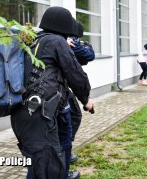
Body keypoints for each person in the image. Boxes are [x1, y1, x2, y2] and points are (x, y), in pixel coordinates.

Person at [11, 6, 94, 179]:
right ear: (65, 28)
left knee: (38, 163)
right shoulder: (57, 42)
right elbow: (75, 73)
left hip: (22, 112)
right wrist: (86, 99)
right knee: (47, 168)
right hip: (40, 114)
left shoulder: (32, 41)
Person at [65, 20, 95, 178]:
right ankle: (65, 155)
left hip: (36, 91)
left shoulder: (43, 38)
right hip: (56, 90)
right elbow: (89, 56)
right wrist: (86, 100)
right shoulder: (68, 41)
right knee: (73, 117)